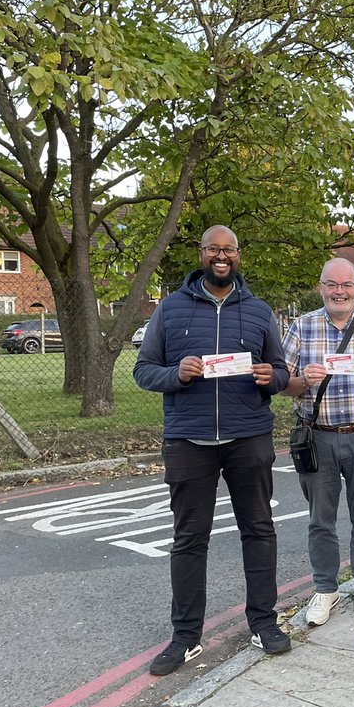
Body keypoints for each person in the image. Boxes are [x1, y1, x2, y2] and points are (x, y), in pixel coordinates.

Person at [134, 225, 291, 675]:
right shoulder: (170, 308)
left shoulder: (259, 311)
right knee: (189, 539)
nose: (221, 257)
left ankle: (263, 622)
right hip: (189, 440)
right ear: (201, 254)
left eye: (229, 250)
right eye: (213, 250)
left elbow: (281, 371)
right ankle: (185, 637)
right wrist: (176, 374)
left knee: (258, 531)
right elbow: (144, 370)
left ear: (238, 255)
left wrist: (272, 378)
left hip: (248, 437)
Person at [282, 258, 354, 627]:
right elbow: (284, 384)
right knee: (320, 520)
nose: (339, 291)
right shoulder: (302, 327)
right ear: (321, 287)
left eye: (347, 285)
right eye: (332, 284)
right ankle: (325, 588)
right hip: (317, 436)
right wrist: (303, 380)